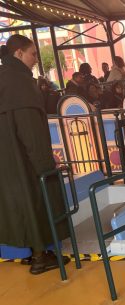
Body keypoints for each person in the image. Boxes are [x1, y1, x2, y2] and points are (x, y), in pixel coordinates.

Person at [0, 34, 70, 274]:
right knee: (36, 201)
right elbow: (31, 131)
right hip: (25, 160)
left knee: (19, 205)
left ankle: (33, 252)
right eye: (32, 54)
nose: (35, 60)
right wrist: (45, 165)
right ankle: (40, 257)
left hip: (5, 161)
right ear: (18, 53)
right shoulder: (21, 83)